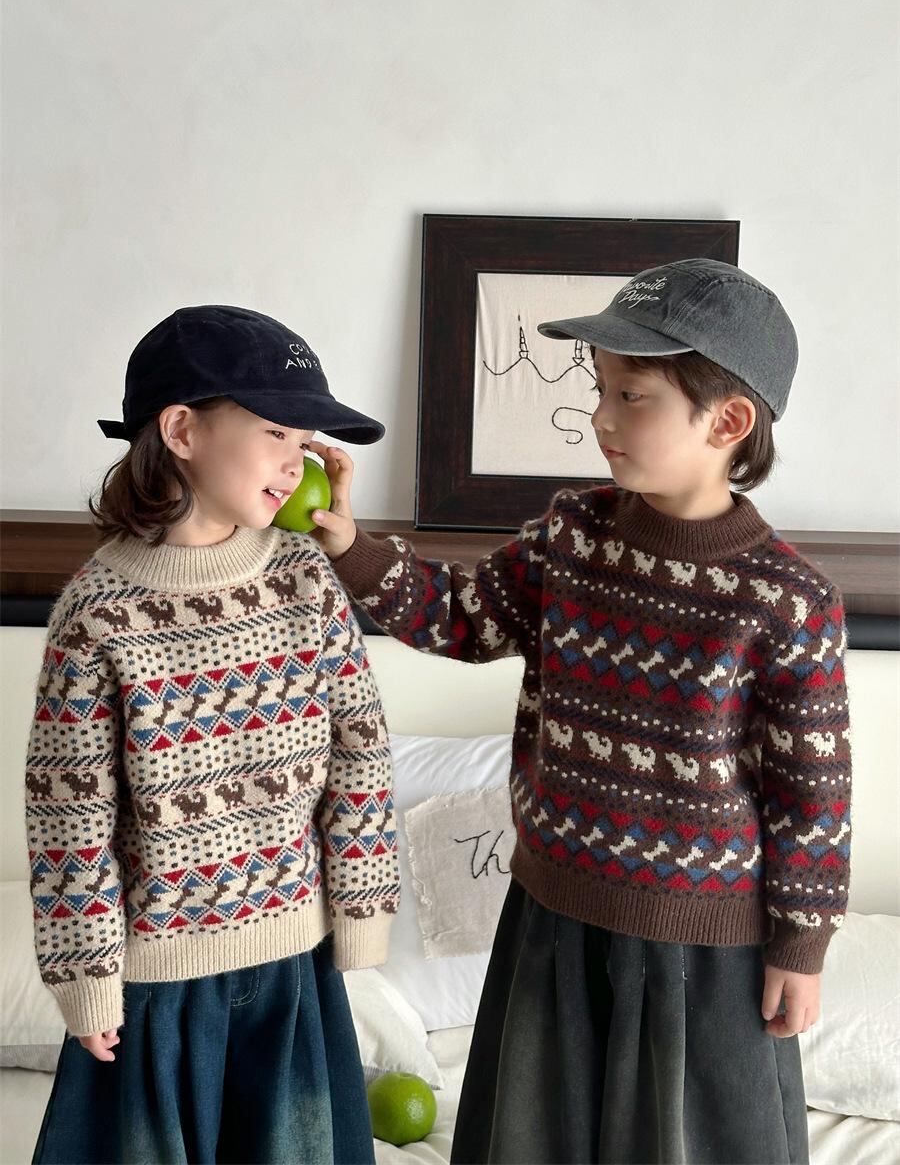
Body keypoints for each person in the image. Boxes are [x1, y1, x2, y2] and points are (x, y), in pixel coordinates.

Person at [310, 259, 851, 1165]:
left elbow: (813, 800)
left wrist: (802, 945)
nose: (601, 417)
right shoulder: (573, 534)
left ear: (727, 423)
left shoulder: (789, 601)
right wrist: (352, 548)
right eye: (600, 389)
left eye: (630, 396)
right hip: (553, 917)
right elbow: (464, 618)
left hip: (701, 952)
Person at [25, 305, 399, 1165]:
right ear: (183, 431)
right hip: (153, 988)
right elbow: (69, 818)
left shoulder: (306, 579)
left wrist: (361, 915)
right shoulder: (97, 613)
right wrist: (87, 979)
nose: (296, 462)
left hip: (295, 968)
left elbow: (361, 750)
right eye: (274, 432)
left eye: (304, 441)